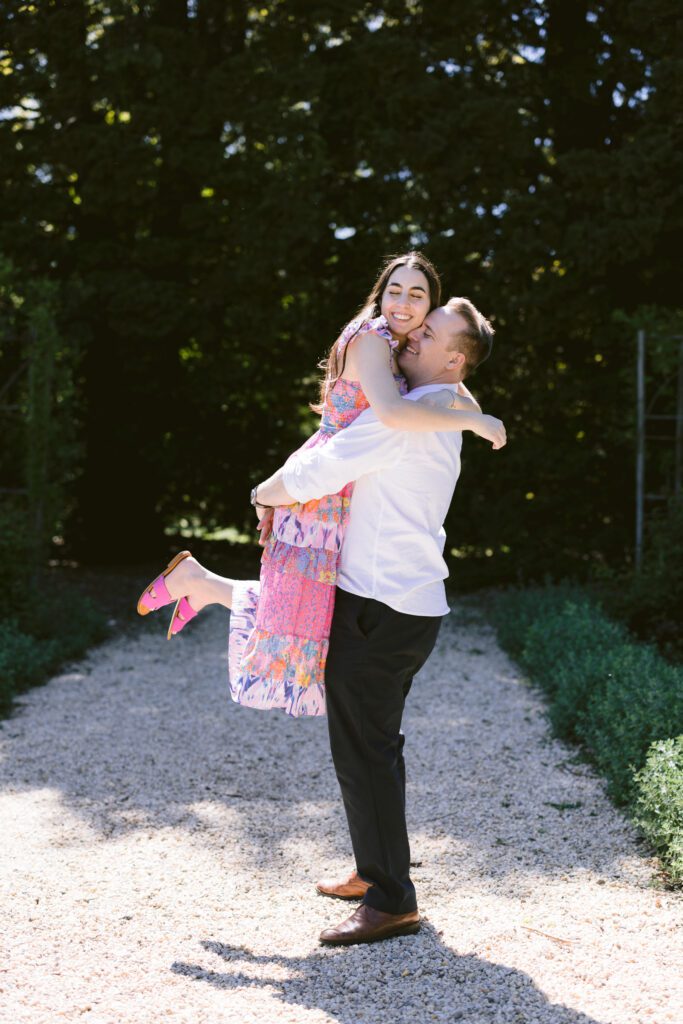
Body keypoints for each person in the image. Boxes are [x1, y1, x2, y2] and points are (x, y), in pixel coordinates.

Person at [137, 255, 504, 719]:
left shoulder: (395, 345)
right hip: (324, 479)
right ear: (380, 293)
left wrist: (465, 399)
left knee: (306, 604)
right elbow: (392, 414)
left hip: (338, 484)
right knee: (301, 609)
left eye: (417, 296)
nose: (404, 303)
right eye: (395, 290)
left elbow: (454, 379)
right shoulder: (373, 340)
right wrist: (474, 420)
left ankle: (202, 584)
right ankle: (199, 583)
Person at [249, 296, 502, 945]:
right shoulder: (442, 406)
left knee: (366, 751)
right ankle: (374, 870)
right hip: (398, 604)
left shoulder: (412, 417)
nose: (411, 336)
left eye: (430, 332)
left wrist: (261, 492)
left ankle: (391, 899)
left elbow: (320, 468)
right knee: (366, 747)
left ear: (454, 358)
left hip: (381, 607)